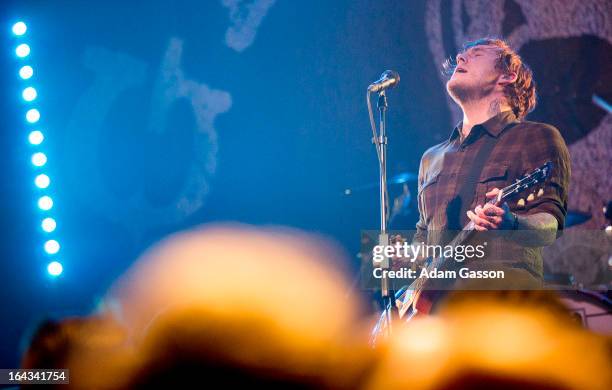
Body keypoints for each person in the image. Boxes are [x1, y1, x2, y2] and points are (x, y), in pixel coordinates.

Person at [412, 38, 570, 293]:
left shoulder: (536, 137)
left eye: (476, 54)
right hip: (435, 316)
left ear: (507, 76)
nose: (460, 58)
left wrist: (513, 223)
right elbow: (423, 236)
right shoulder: (431, 157)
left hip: (501, 302)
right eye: (461, 54)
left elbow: (550, 226)